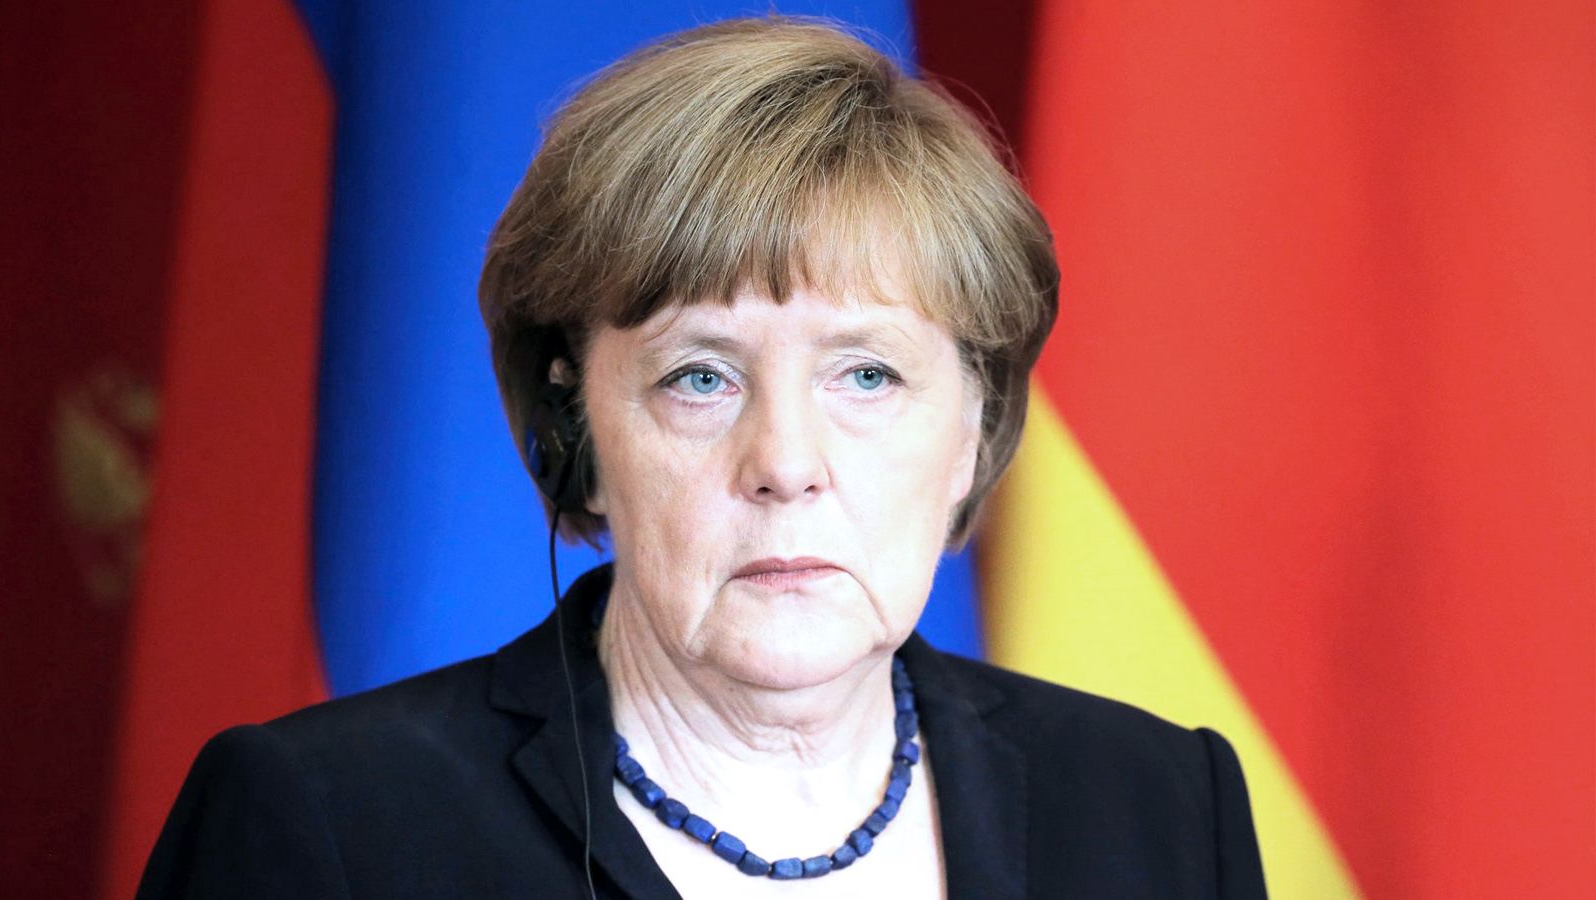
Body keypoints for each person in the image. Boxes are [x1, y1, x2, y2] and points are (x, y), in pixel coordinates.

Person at [139, 16, 1267, 899]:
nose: (786, 461)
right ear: (574, 435)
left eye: (866, 375)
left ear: (974, 427)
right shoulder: (327, 825)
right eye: (700, 377)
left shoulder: (1161, 803)